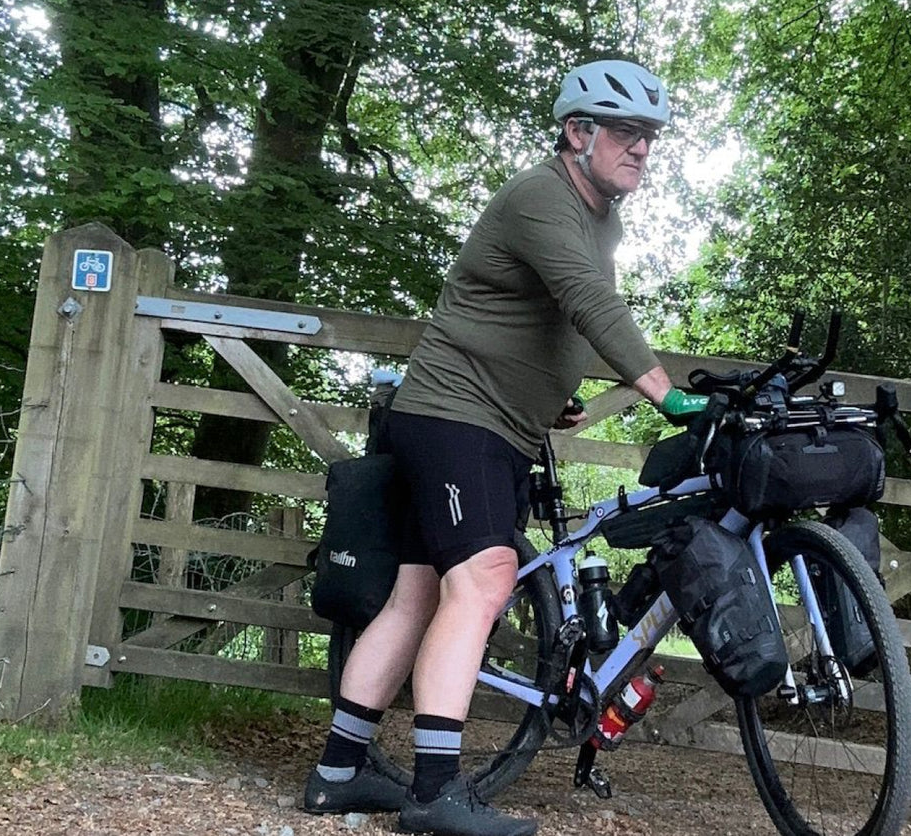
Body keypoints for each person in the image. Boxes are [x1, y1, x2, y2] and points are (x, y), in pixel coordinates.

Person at [301, 59, 708, 836]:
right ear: (577, 131)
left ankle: (336, 773)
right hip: (458, 419)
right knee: (484, 580)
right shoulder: (540, 196)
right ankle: (435, 792)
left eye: (651, 137)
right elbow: (589, 301)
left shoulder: (600, 217)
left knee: (417, 595)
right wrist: (668, 393)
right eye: (627, 132)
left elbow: (539, 311)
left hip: (480, 422)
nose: (642, 149)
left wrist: (547, 386)